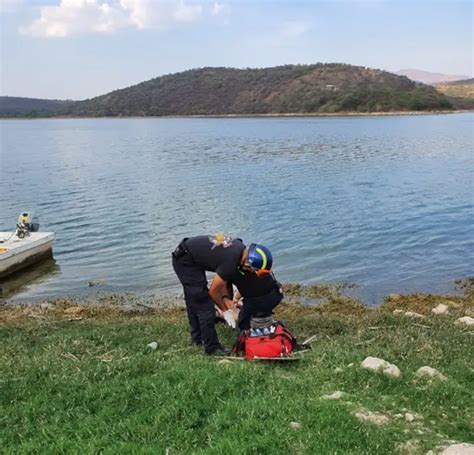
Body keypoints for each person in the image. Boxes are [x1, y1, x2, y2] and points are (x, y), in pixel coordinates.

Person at [171, 234, 276, 356]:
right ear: (248, 262)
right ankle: (212, 348)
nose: (250, 272)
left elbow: (226, 280)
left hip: (189, 253)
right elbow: (213, 291)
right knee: (204, 304)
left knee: (193, 300)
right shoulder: (231, 261)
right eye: (253, 270)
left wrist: (226, 299)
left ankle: (197, 339)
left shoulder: (240, 248)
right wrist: (225, 311)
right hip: (185, 260)